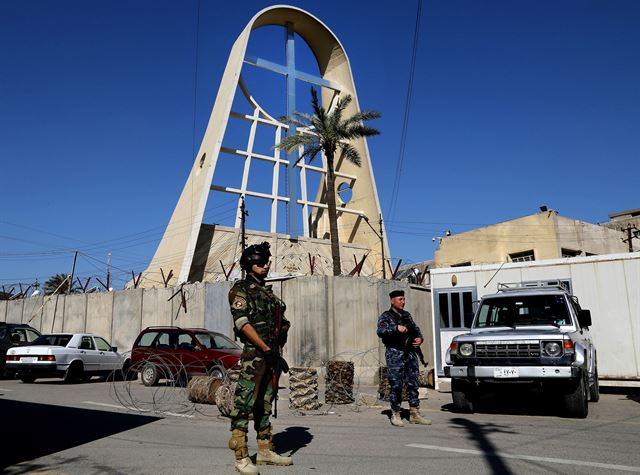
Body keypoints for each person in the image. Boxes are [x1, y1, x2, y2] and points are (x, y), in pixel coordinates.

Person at [227, 242, 292, 474]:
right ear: (249, 265)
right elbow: (243, 324)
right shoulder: (240, 290)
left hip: (271, 354)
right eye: (260, 263)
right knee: (244, 403)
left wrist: (280, 336)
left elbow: (281, 320)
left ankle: (264, 450)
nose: (265, 266)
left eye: (267, 262)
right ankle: (241, 455)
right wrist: (265, 348)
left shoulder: (268, 294)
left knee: (265, 403)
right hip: (255, 355)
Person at [376, 289, 432, 427]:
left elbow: (415, 329)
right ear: (392, 301)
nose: (403, 302)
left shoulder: (407, 315)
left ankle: (414, 413)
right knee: (396, 384)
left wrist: (420, 339)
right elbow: (380, 331)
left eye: (404, 299)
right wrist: (395, 328)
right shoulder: (386, 316)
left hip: (410, 353)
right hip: (395, 353)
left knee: (413, 384)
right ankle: (395, 413)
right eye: (400, 299)